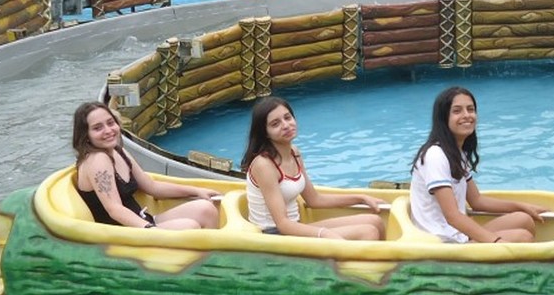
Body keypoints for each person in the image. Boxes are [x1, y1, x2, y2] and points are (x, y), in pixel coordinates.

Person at [409, 86, 542, 244]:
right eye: (457, 111)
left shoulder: (457, 153)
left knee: (524, 219)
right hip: (441, 242)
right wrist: (496, 242)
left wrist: (520, 206)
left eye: (470, 109)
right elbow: (452, 216)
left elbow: (477, 201)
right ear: (443, 118)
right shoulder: (435, 155)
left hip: (457, 235)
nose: (467, 115)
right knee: (522, 237)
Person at [242, 96, 387, 240]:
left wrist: (360, 198)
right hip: (273, 235)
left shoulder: (294, 152)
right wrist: (323, 233)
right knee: (368, 231)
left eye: (288, 117)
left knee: (376, 221)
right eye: (275, 124)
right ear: (265, 133)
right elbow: (282, 224)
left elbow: (314, 200)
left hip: (295, 227)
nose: (286, 125)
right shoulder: (264, 165)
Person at [72, 102, 220, 230]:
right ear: (86, 135)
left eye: (110, 123)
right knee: (189, 226)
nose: (108, 130)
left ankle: (211, 254)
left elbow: (152, 187)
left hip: (143, 221)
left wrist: (196, 191)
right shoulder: (97, 160)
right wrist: (150, 229)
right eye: (97, 128)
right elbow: (114, 209)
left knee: (206, 208)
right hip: (124, 234)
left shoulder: (118, 151)